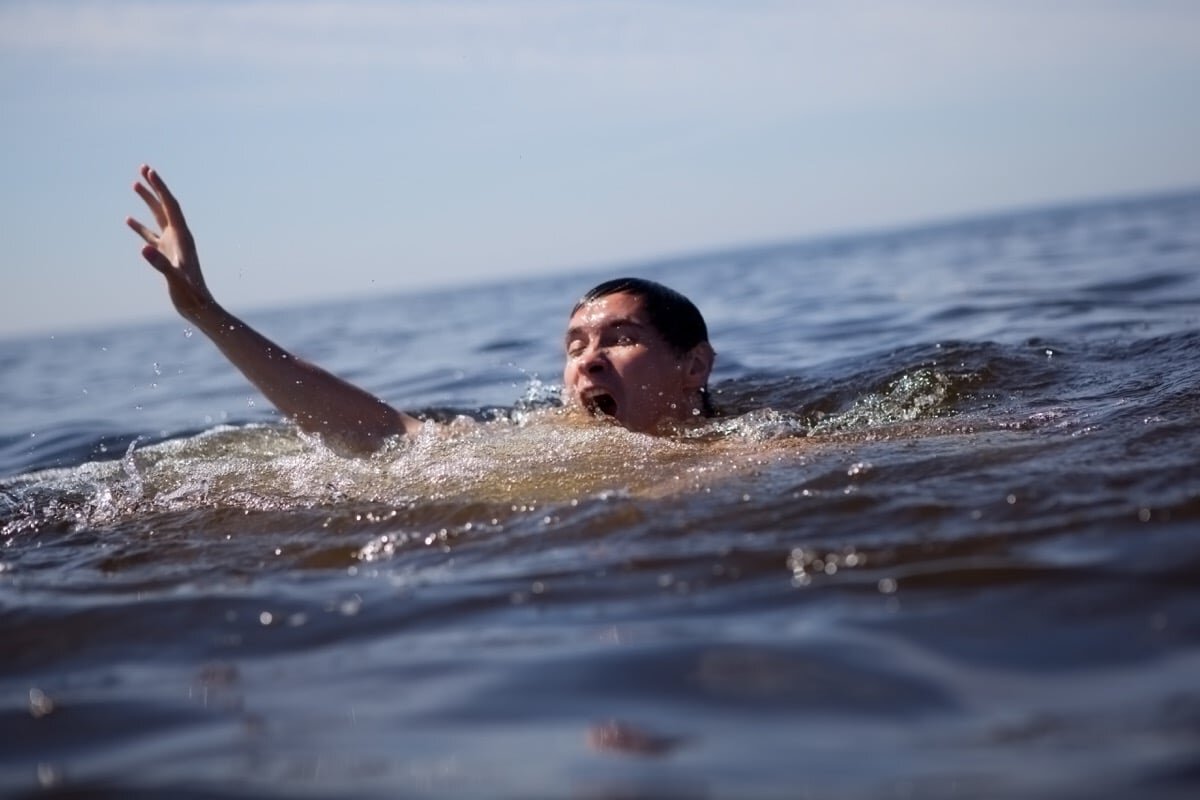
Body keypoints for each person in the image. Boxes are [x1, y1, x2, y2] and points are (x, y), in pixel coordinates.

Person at [126, 165, 716, 455]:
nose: (587, 362)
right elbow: (379, 430)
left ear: (694, 367)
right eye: (575, 346)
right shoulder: (529, 444)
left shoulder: (751, 457)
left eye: (618, 338)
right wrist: (208, 313)